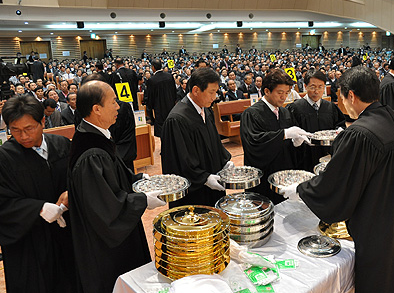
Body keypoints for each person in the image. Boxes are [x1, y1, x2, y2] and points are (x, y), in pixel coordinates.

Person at [282, 66, 394, 293]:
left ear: (351, 95)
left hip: (384, 230)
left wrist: (302, 190)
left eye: (342, 98)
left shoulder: (360, 133)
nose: (342, 104)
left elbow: (338, 184)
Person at [68, 80, 165, 292]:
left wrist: (138, 180)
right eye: (113, 102)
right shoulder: (91, 153)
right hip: (105, 248)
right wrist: (142, 201)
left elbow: (113, 179)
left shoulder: (97, 136)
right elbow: (105, 207)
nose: (118, 107)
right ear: (96, 109)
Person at [0, 95, 76, 293]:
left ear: (42, 121)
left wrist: (71, 192)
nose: (23, 136)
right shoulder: (5, 158)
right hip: (29, 244)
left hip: (65, 236)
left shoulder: (62, 145)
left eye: (28, 129)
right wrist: (38, 208)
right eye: (15, 130)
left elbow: (79, 179)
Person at [161, 67, 233, 207]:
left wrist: (224, 161)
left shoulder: (205, 110)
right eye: (211, 92)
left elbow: (214, 142)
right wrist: (204, 178)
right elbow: (179, 161)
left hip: (213, 186)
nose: (214, 97)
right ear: (195, 90)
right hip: (194, 195)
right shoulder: (177, 120)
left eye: (216, 92)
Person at [240, 69, 311, 205]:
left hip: (284, 177)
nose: (284, 97)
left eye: (286, 93)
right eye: (280, 93)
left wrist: (296, 144)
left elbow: (291, 144)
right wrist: (283, 134)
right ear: (266, 91)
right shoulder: (251, 113)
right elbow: (254, 143)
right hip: (264, 179)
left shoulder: (285, 112)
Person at [287, 69, 346, 171]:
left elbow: (340, 124)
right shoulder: (295, 108)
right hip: (304, 158)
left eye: (320, 87)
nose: (316, 91)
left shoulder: (330, 107)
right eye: (312, 87)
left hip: (327, 157)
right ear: (305, 87)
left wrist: (340, 131)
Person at [147, 58, 177, 137]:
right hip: (171, 106)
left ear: (153, 67)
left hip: (159, 108)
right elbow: (174, 92)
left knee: (162, 131)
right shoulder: (169, 76)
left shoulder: (152, 80)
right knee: (171, 128)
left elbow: (150, 97)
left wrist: (150, 109)